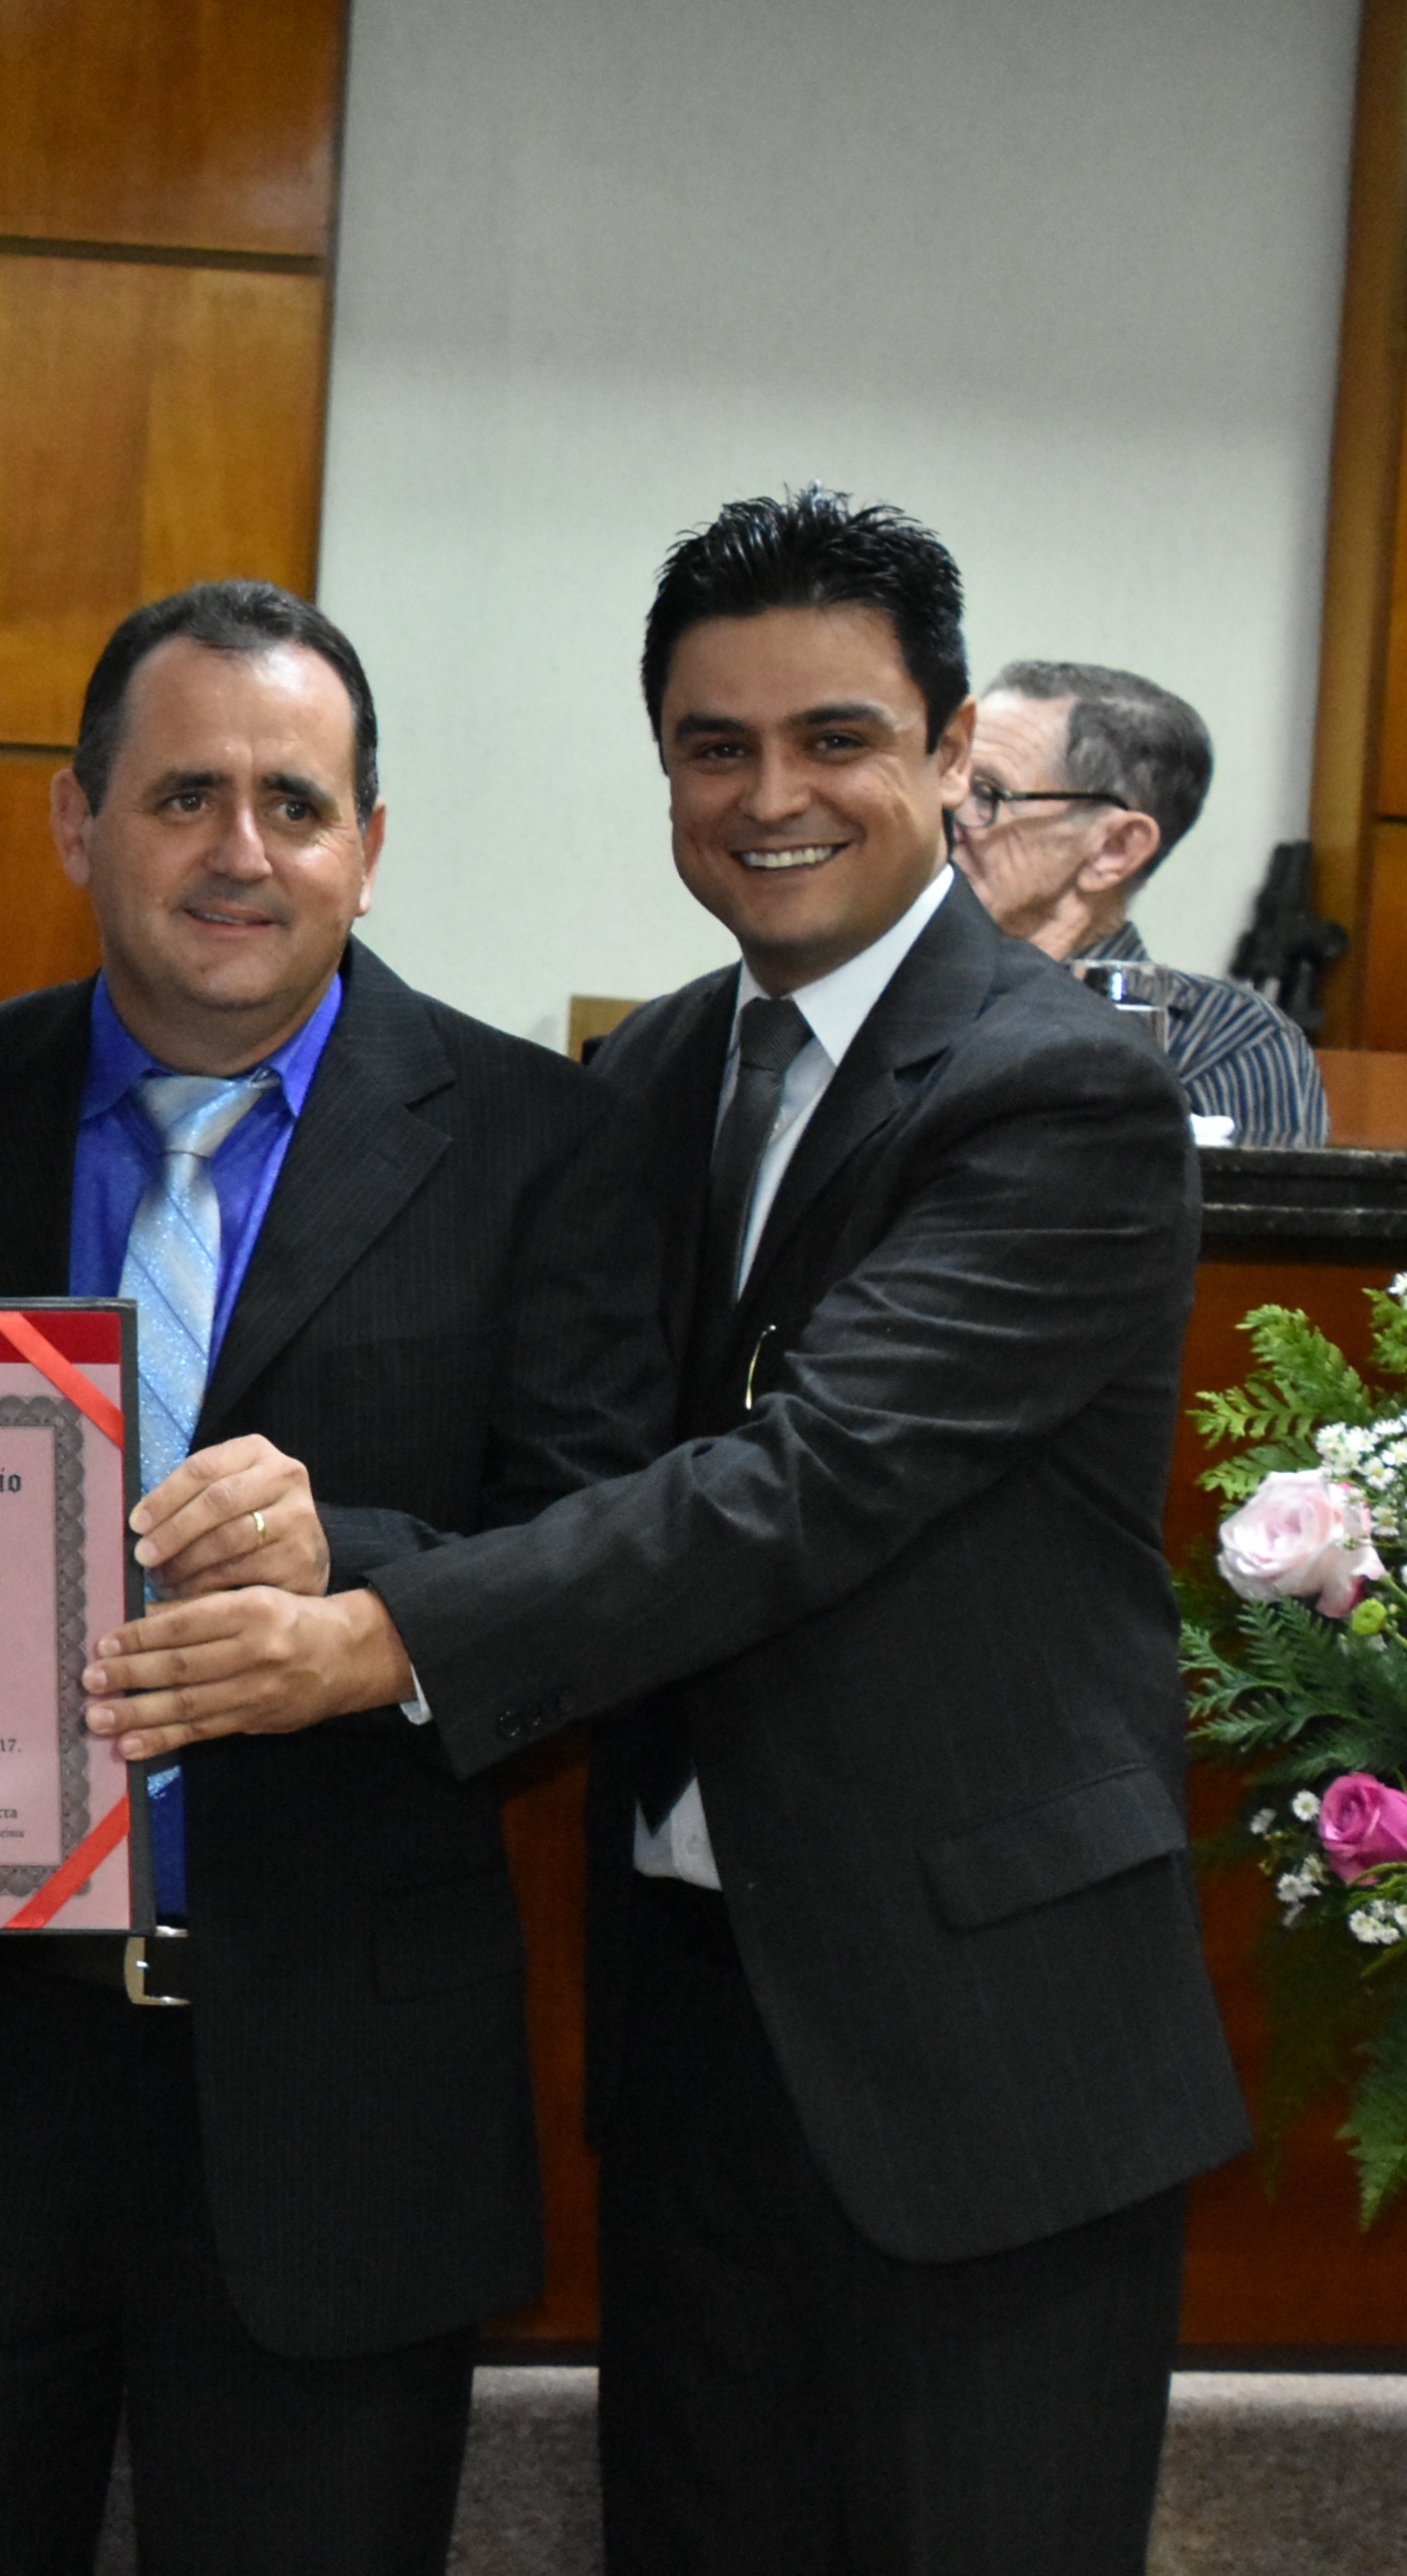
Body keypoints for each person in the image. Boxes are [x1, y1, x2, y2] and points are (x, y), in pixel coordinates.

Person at [93, 490, 1248, 2576]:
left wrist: (372, 1629)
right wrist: (328, 1541)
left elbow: (798, 1484)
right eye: (715, 746)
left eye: (833, 737)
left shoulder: (1055, 1093)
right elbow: (592, 1476)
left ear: (949, 747)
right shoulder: (648, 1075)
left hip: (983, 2054)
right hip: (696, 2030)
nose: (768, 795)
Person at [0, 579, 659, 2576]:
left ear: (370, 842)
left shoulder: (542, 1139)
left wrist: (351, 1567)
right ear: (75, 818)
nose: (240, 851)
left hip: (341, 2091)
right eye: (183, 793)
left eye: (296, 801)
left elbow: (609, 1548)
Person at [947, 655, 1326, 1142]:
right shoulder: (891, 993)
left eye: (987, 792)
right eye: (947, 776)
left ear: (1115, 849)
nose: (946, 811)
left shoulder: (1227, 1044)